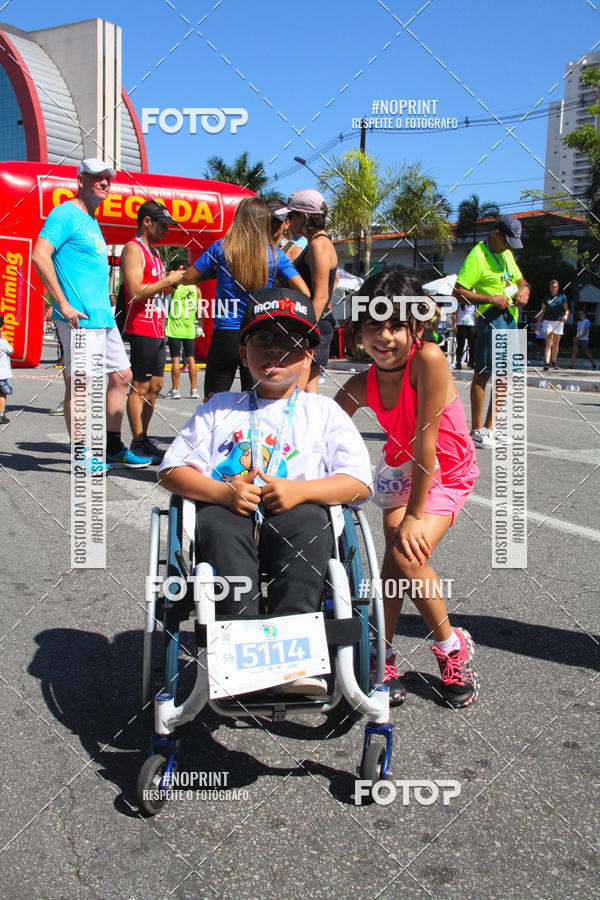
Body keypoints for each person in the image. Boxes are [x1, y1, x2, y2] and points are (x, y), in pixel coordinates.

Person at [158, 288, 372, 696]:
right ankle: (240, 651)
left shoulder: (323, 412)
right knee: (217, 525)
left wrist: (301, 491)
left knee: (309, 521)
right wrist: (222, 492)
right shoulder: (220, 407)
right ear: (243, 354)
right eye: (263, 338)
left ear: (308, 356)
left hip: (296, 514)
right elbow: (171, 470)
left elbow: (359, 482)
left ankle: (294, 660)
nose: (275, 348)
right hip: (229, 511)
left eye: (289, 341)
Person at [335, 270, 480, 708]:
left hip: (445, 470)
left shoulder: (428, 359)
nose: (384, 337)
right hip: (402, 470)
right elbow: (324, 427)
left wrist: (416, 516)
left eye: (397, 325)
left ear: (417, 326)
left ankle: (452, 646)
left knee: (405, 554)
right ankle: (382, 652)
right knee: (393, 568)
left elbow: (427, 441)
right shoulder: (361, 384)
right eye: (373, 325)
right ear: (358, 328)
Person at [32, 157, 152, 470]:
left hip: (103, 318)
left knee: (123, 377)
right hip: (79, 319)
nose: (104, 183)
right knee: (81, 386)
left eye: (107, 178)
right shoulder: (65, 213)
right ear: (81, 180)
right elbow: (39, 255)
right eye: (97, 177)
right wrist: (62, 303)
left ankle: (112, 446)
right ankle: (81, 454)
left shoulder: (91, 220)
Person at [182, 197, 309, 400]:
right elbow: (304, 292)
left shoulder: (221, 248)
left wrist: (216, 273)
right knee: (257, 399)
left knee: (213, 400)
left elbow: (188, 278)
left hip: (225, 333)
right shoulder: (275, 255)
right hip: (257, 333)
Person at [453, 215, 530, 450]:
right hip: (491, 318)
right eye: (506, 241)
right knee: (484, 373)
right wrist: (490, 299)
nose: (508, 247)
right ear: (496, 234)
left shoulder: (506, 254)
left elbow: (521, 281)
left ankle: (490, 427)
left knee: (507, 374)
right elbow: (459, 292)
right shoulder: (477, 256)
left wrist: (524, 290)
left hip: (511, 318)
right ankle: (477, 431)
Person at [121, 199, 184, 462]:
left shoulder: (156, 253)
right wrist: (167, 280)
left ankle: (144, 438)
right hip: (141, 326)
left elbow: (157, 289)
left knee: (156, 385)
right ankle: (137, 443)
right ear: (147, 222)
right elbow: (136, 291)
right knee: (140, 385)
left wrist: (172, 283)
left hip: (158, 326)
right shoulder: (133, 249)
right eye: (162, 225)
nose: (166, 231)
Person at [275, 191, 338, 392]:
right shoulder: (318, 243)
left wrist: (305, 332)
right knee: (308, 393)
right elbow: (333, 281)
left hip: (315, 323)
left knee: (297, 391)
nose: (288, 222)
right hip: (319, 323)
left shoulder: (319, 245)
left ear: (303, 217)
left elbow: (321, 295)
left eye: (291, 215)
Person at [165, 283, 202, 399]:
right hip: (189, 329)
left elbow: (163, 296)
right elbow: (201, 311)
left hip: (174, 329)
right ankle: (194, 390)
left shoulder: (174, 287)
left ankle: (175, 390)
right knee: (191, 359)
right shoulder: (196, 289)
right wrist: (200, 326)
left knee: (175, 360)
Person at [538, 279, 569, 370]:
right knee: (548, 342)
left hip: (558, 322)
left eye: (555, 287)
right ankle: (546, 363)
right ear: (549, 288)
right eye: (552, 287)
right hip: (548, 321)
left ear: (558, 287)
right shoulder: (546, 297)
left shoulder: (562, 297)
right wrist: (538, 323)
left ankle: (554, 361)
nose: (553, 289)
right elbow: (542, 311)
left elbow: (566, 310)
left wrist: (566, 316)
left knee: (555, 343)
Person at [452, 299, 476, 369]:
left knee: (472, 344)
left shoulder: (474, 304)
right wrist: (454, 326)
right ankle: (458, 361)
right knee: (460, 344)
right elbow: (454, 315)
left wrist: (477, 325)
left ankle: (471, 362)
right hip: (460, 324)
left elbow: (475, 314)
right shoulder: (458, 303)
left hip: (471, 324)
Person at [0, 314, 13, 425]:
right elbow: (11, 350)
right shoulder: (2, 342)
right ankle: (1, 415)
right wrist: (4, 337)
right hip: (3, 374)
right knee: (2, 395)